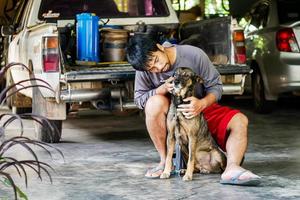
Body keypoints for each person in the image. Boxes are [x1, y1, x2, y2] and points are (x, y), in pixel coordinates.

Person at [126, 34, 261, 186]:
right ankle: (165, 162)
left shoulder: (193, 54)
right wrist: (162, 89)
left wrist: (202, 103)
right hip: (170, 111)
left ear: (159, 47)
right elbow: (139, 100)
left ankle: (232, 168)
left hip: (199, 108)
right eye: (151, 69)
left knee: (240, 120)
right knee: (153, 103)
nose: (157, 68)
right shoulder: (143, 68)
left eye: (156, 61)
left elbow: (216, 87)